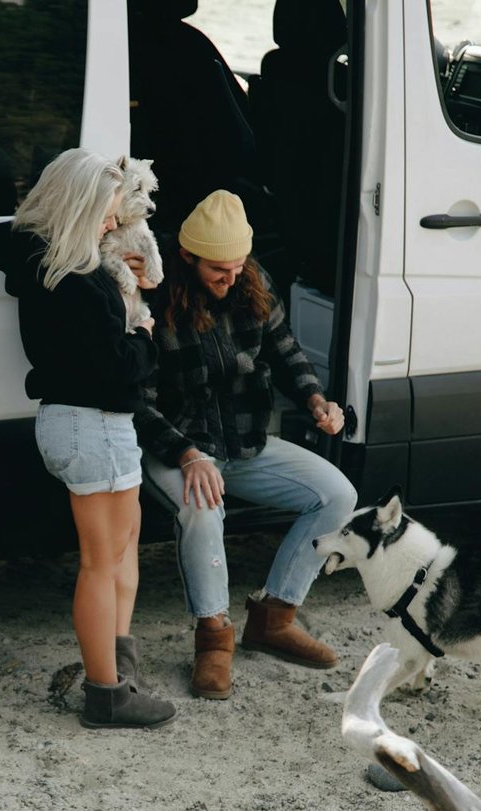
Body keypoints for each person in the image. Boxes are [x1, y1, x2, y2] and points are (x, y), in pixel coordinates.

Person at [135, 189, 357, 699]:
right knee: (202, 508)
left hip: (247, 445)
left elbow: (286, 352)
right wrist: (188, 455)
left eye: (238, 267)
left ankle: (274, 619)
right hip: (178, 448)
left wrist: (316, 401)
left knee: (336, 495)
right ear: (187, 257)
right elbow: (137, 401)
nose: (231, 278)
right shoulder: (152, 294)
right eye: (219, 270)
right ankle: (213, 641)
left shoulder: (253, 279)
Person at [0, 148, 177, 730]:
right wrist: (144, 331)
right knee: (102, 561)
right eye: (105, 213)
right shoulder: (71, 279)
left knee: (123, 547)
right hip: (91, 420)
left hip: (86, 421)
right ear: (78, 207)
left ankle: (116, 665)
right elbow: (117, 365)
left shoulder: (55, 266)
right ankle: (106, 693)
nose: (113, 223)